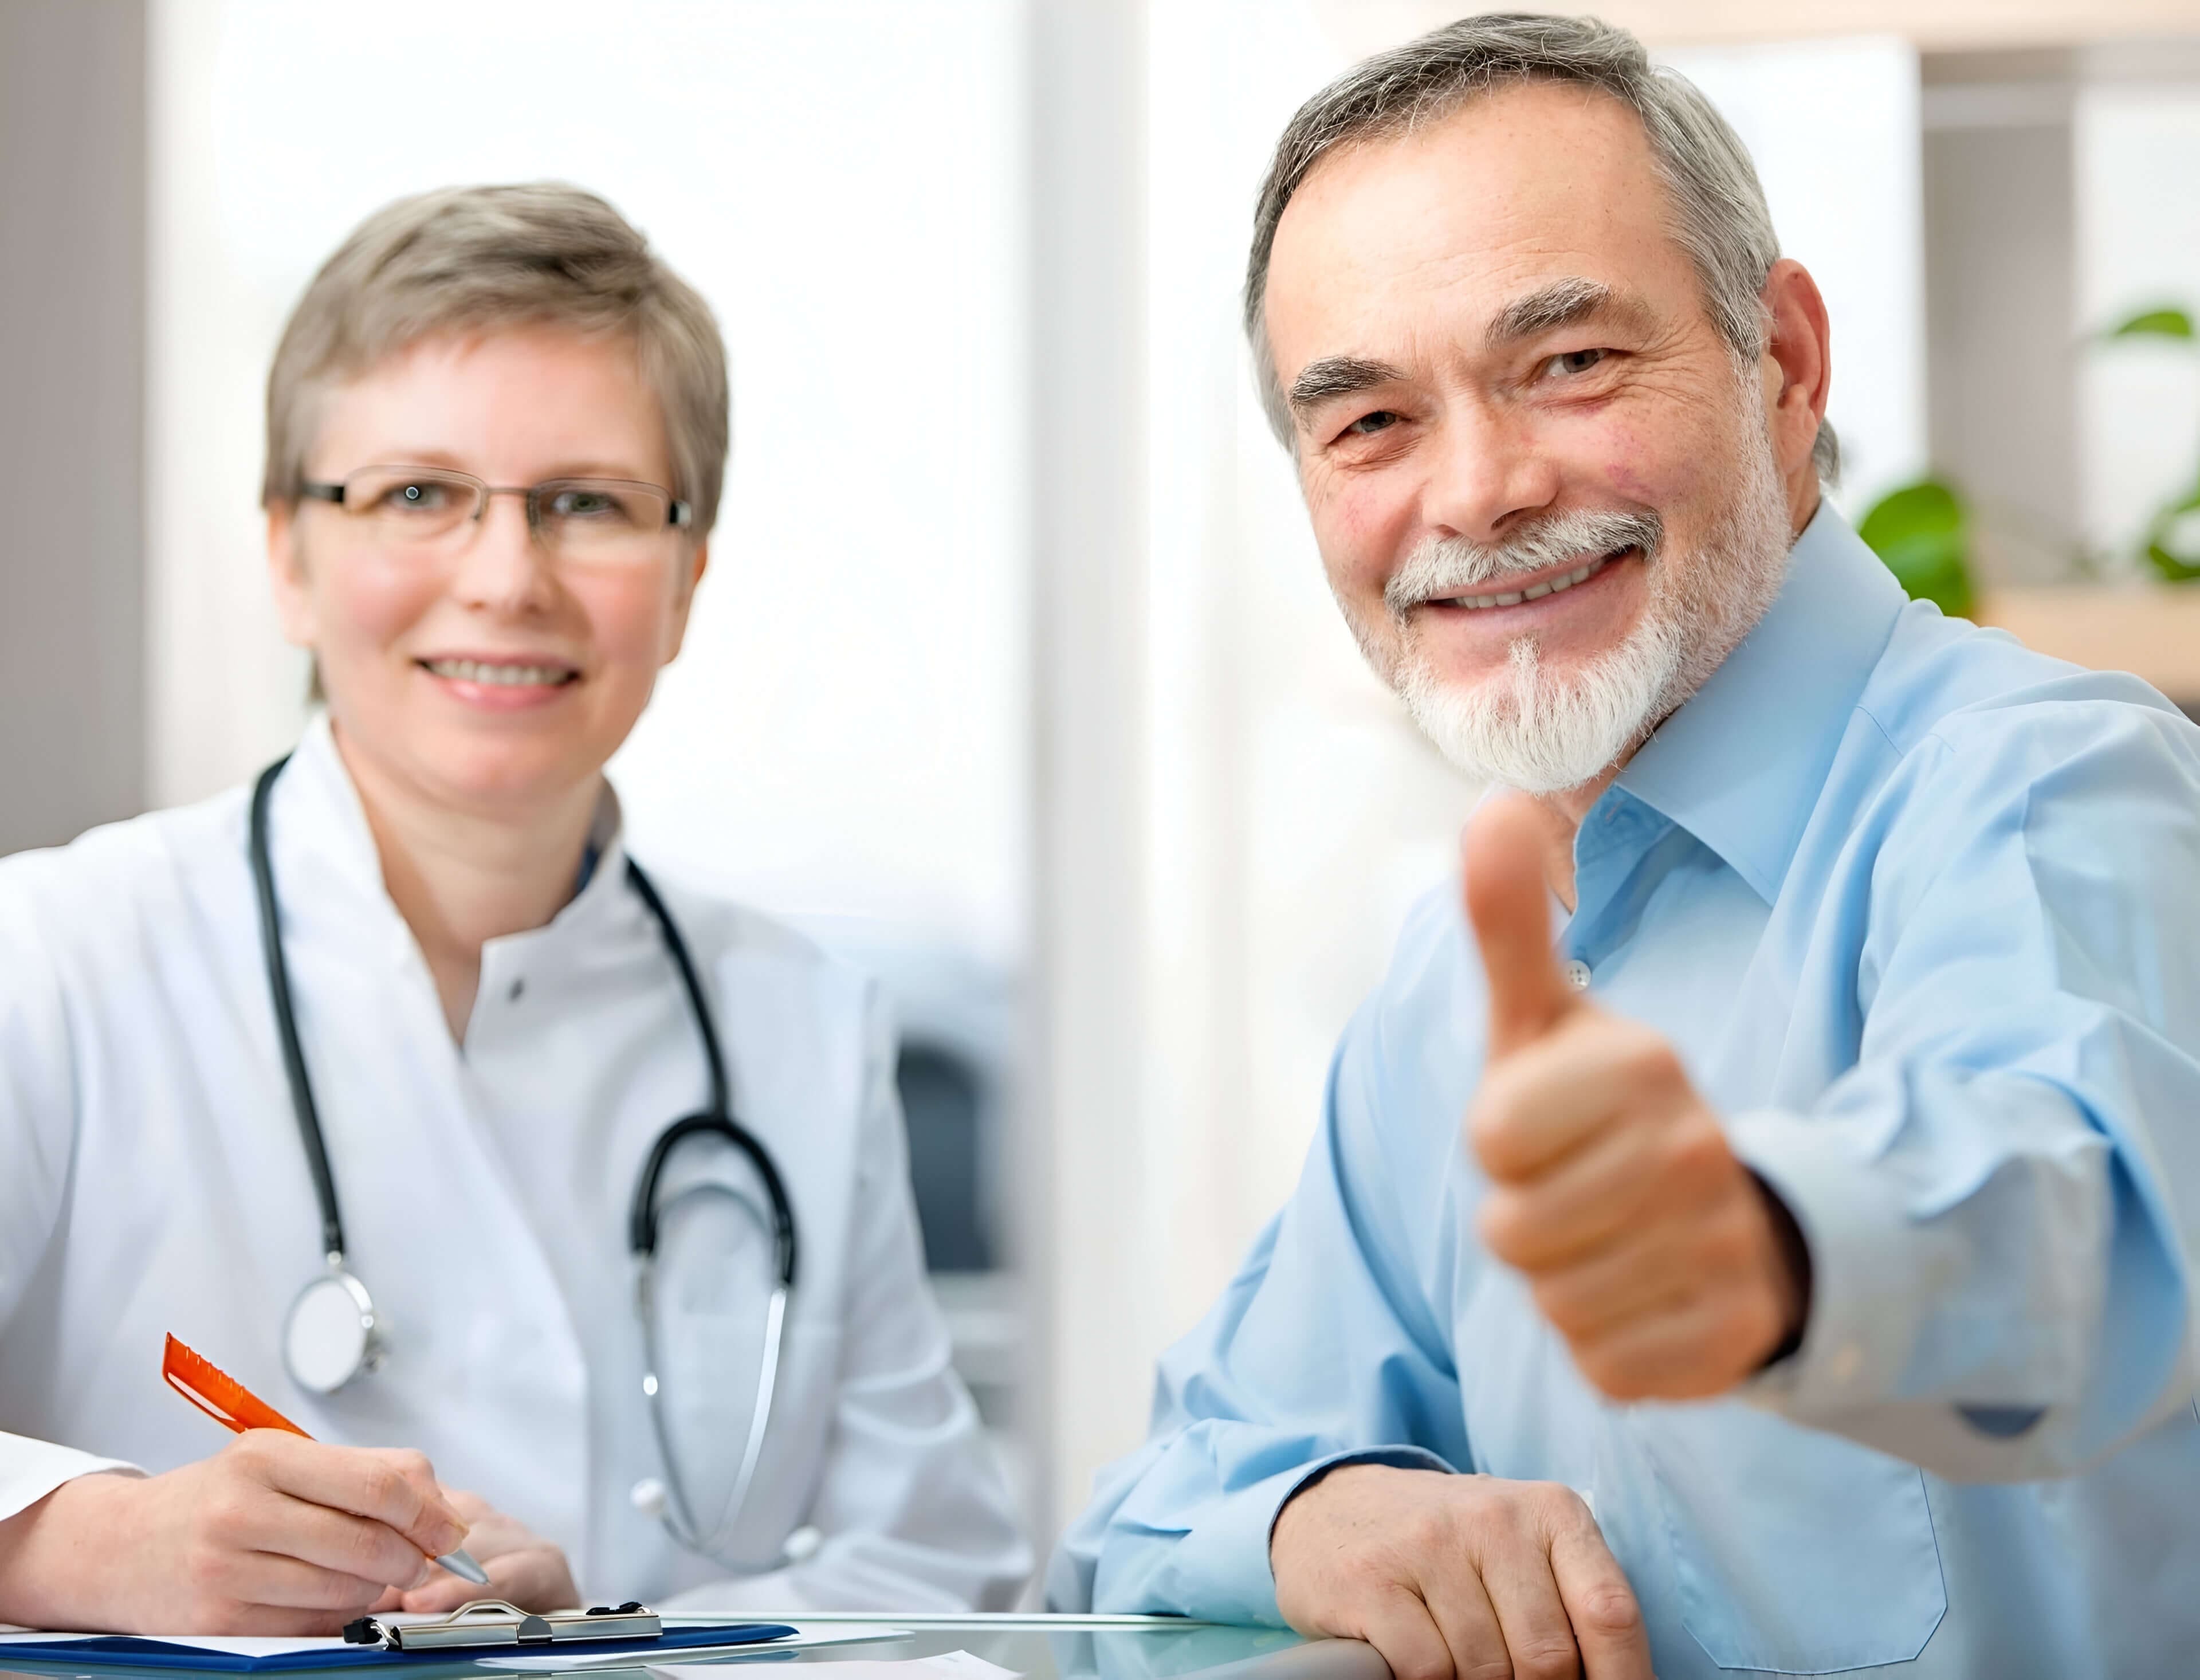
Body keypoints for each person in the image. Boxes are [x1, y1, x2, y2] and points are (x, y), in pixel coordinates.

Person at [1052, 14, 2200, 1678]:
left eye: (1570, 362)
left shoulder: (2047, 785)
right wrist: (1327, 1513)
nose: (1478, 491)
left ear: (1785, 362)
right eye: (1369, 420)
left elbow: (2073, 1219)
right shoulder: (1455, 983)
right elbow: (1150, 1517)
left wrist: (1772, 1248)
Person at [0, 182, 1028, 1634]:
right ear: (290, 555)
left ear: (683, 583)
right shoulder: (50, 959)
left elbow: (934, 1576)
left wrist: (609, 1632)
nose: (505, 577)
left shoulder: (795, 1018)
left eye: (587, 503)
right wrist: (82, 1541)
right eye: (417, 493)